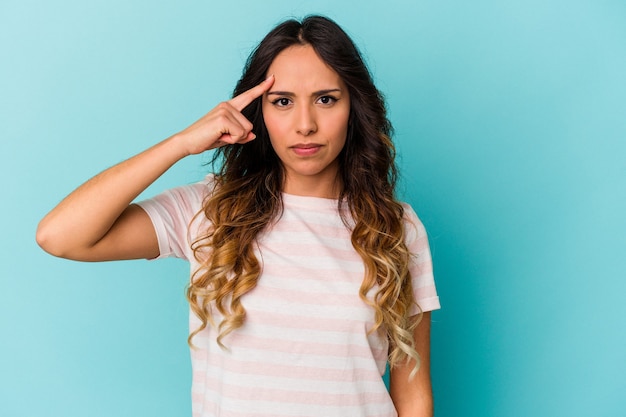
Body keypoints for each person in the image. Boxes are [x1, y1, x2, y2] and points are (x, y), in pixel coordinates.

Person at [36, 15, 440, 417]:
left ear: (354, 108)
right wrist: (180, 144)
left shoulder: (396, 228)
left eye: (326, 99)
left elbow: (413, 395)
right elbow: (60, 236)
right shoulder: (210, 210)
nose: (305, 125)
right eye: (282, 101)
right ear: (257, 111)